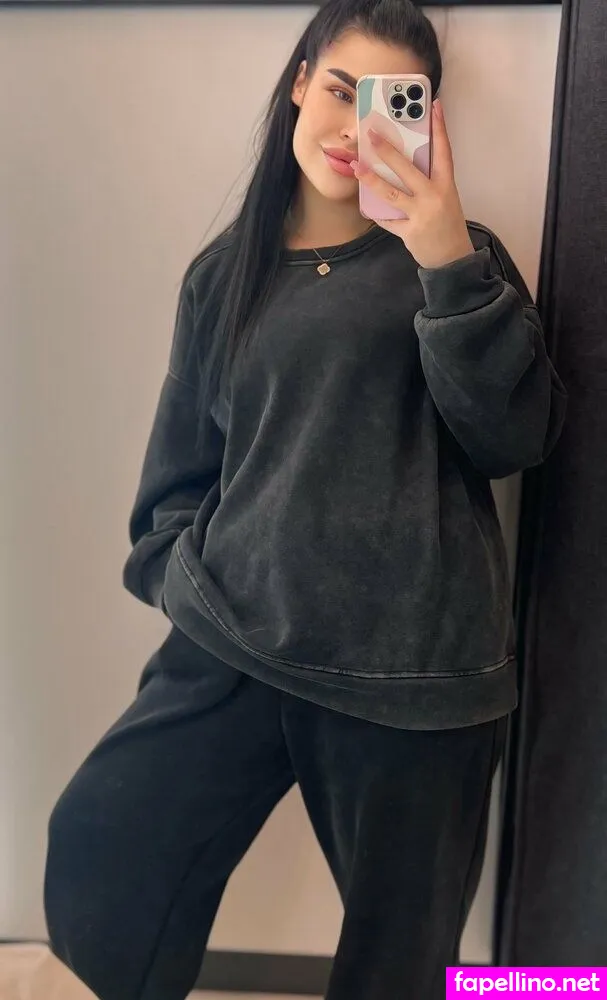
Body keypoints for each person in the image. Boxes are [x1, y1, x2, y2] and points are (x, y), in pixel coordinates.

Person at [43, 0, 568, 997]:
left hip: (413, 676)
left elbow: (516, 440)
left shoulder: (461, 261)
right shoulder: (222, 277)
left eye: (388, 102)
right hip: (236, 644)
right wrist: (191, 586)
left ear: (424, 117)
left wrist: (444, 259)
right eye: (338, 89)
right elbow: (175, 484)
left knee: (399, 964)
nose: (352, 127)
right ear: (297, 82)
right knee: (103, 847)